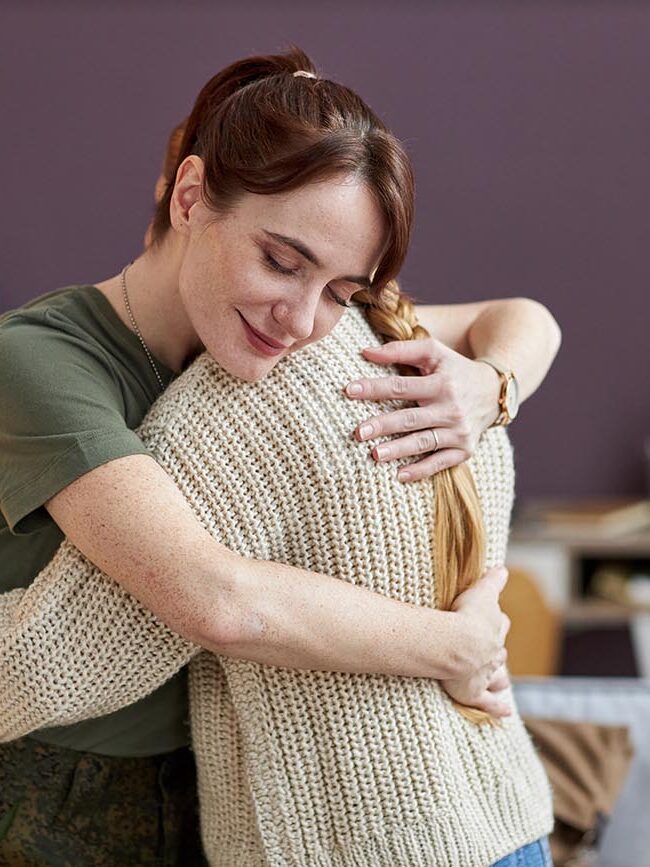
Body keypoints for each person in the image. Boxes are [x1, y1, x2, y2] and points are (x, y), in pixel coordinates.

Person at [0, 47, 560, 865]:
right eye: (281, 261)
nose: (300, 321)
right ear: (190, 197)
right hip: (58, 792)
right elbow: (213, 597)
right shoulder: (41, 362)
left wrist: (490, 385)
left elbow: (522, 317)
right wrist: (457, 646)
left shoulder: (277, 353)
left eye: (341, 293)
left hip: (218, 788)